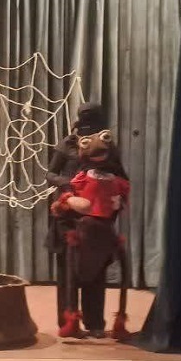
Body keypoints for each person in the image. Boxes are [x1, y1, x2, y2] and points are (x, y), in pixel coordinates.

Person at [45, 104, 129, 338]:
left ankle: (95, 323)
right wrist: (68, 185)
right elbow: (50, 174)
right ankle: (68, 322)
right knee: (67, 272)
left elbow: (122, 178)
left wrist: (115, 196)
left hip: (98, 219)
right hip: (69, 217)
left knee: (96, 271)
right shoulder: (67, 144)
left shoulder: (108, 146)